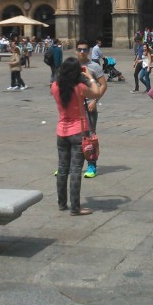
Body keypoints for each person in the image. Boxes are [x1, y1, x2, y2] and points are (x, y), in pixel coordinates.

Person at [51, 58, 102, 215]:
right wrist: (89, 77)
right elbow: (97, 92)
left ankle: (61, 203)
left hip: (61, 132)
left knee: (62, 168)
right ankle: (75, 207)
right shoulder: (80, 87)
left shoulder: (54, 86)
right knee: (75, 169)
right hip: (78, 131)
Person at [76, 39, 107, 178]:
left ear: (89, 51)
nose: (82, 52)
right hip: (74, 106)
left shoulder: (94, 66)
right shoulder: (71, 65)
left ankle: (92, 164)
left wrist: (95, 99)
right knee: (73, 136)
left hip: (89, 106)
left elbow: (103, 85)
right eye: (80, 49)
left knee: (90, 136)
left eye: (85, 49)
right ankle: (72, 165)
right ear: (76, 50)